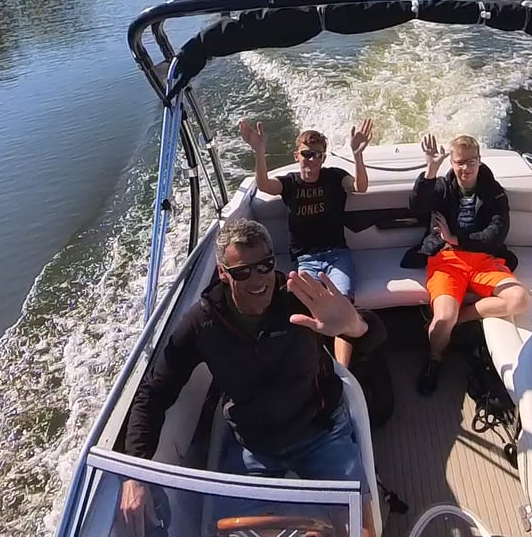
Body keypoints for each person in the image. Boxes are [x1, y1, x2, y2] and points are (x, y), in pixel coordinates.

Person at [118, 218, 384, 537]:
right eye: (243, 271)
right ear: (222, 273)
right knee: (232, 532)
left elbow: (375, 339)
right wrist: (136, 472)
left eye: (265, 266)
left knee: (362, 533)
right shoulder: (202, 324)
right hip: (255, 445)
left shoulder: (299, 297)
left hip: (321, 430)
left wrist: (354, 325)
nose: (258, 279)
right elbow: (154, 392)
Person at [402, 134, 530, 395]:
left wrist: (457, 237)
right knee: (442, 319)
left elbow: (497, 232)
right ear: (452, 162)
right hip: (447, 259)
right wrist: (431, 168)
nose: (466, 168)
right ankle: (435, 359)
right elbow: (417, 206)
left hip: (484, 259)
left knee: (519, 299)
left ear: (480, 161)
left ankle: (461, 318)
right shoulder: (443, 187)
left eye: (471, 162)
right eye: (459, 162)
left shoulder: (494, 193)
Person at [240, 119, 372, 367]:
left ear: (323, 158)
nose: (311, 160)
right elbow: (265, 186)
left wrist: (358, 154)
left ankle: (343, 373)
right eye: (306, 154)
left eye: (317, 156)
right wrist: (258, 151)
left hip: (337, 256)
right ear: (296, 155)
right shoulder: (290, 183)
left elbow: (360, 187)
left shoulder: (335, 177)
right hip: (306, 260)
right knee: (301, 307)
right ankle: (314, 365)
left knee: (341, 306)